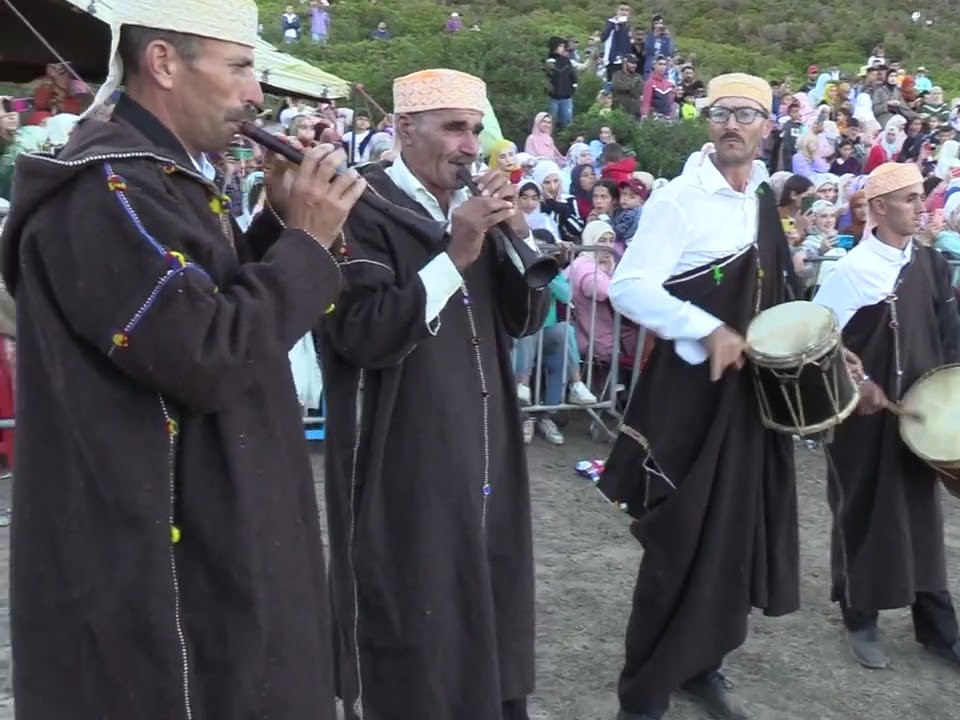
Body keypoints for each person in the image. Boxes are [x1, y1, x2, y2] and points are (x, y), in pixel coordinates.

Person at [0, 0, 365, 716]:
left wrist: (278, 224)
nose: (256, 94)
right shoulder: (106, 190)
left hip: (215, 533)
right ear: (164, 63)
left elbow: (213, 302)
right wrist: (308, 243)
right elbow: (205, 355)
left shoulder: (165, 179)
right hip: (159, 570)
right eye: (240, 67)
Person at [317, 69, 550, 720]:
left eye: (474, 130)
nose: (470, 147)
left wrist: (515, 234)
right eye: (453, 128)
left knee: (488, 589)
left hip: (485, 448)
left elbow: (526, 320)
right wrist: (456, 251)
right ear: (403, 129)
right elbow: (362, 334)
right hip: (403, 457)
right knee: (415, 603)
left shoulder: (471, 206)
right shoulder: (358, 207)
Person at [599, 73, 803, 720]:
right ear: (708, 122)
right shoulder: (679, 200)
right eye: (720, 113)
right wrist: (705, 328)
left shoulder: (762, 198)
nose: (732, 125)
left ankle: (701, 665)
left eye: (746, 114)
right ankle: (642, 697)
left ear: (767, 126)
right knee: (679, 541)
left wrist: (825, 345)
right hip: (689, 401)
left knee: (733, 534)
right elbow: (628, 286)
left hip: (749, 400)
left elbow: (779, 290)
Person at [811, 162, 960, 682]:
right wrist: (858, 382)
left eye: (922, 198)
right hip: (862, 422)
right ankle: (860, 619)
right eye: (910, 199)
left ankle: (940, 630)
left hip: (921, 416)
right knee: (862, 512)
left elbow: (949, 339)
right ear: (878, 208)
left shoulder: (932, 263)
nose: (922, 207)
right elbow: (815, 342)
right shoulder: (848, 271)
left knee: (922, 518)